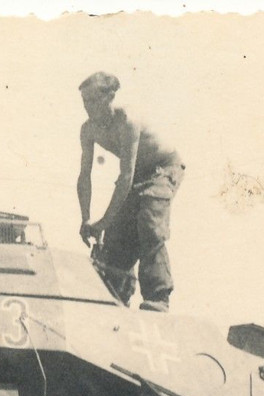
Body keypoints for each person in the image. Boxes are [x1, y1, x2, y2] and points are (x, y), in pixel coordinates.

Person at [76, 71, 185, 312]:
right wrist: (86, 219)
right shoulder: (88, 130)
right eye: (85, 102)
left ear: (110, 97)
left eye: (93, 101)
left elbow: (125, 176)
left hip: (163, 168)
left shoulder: (127, 120)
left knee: (149, 221)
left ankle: (158, 298)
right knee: (118, 236)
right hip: (136, 174)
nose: (88, 108)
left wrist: (103, 221)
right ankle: (115, 296)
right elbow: (85, 176)